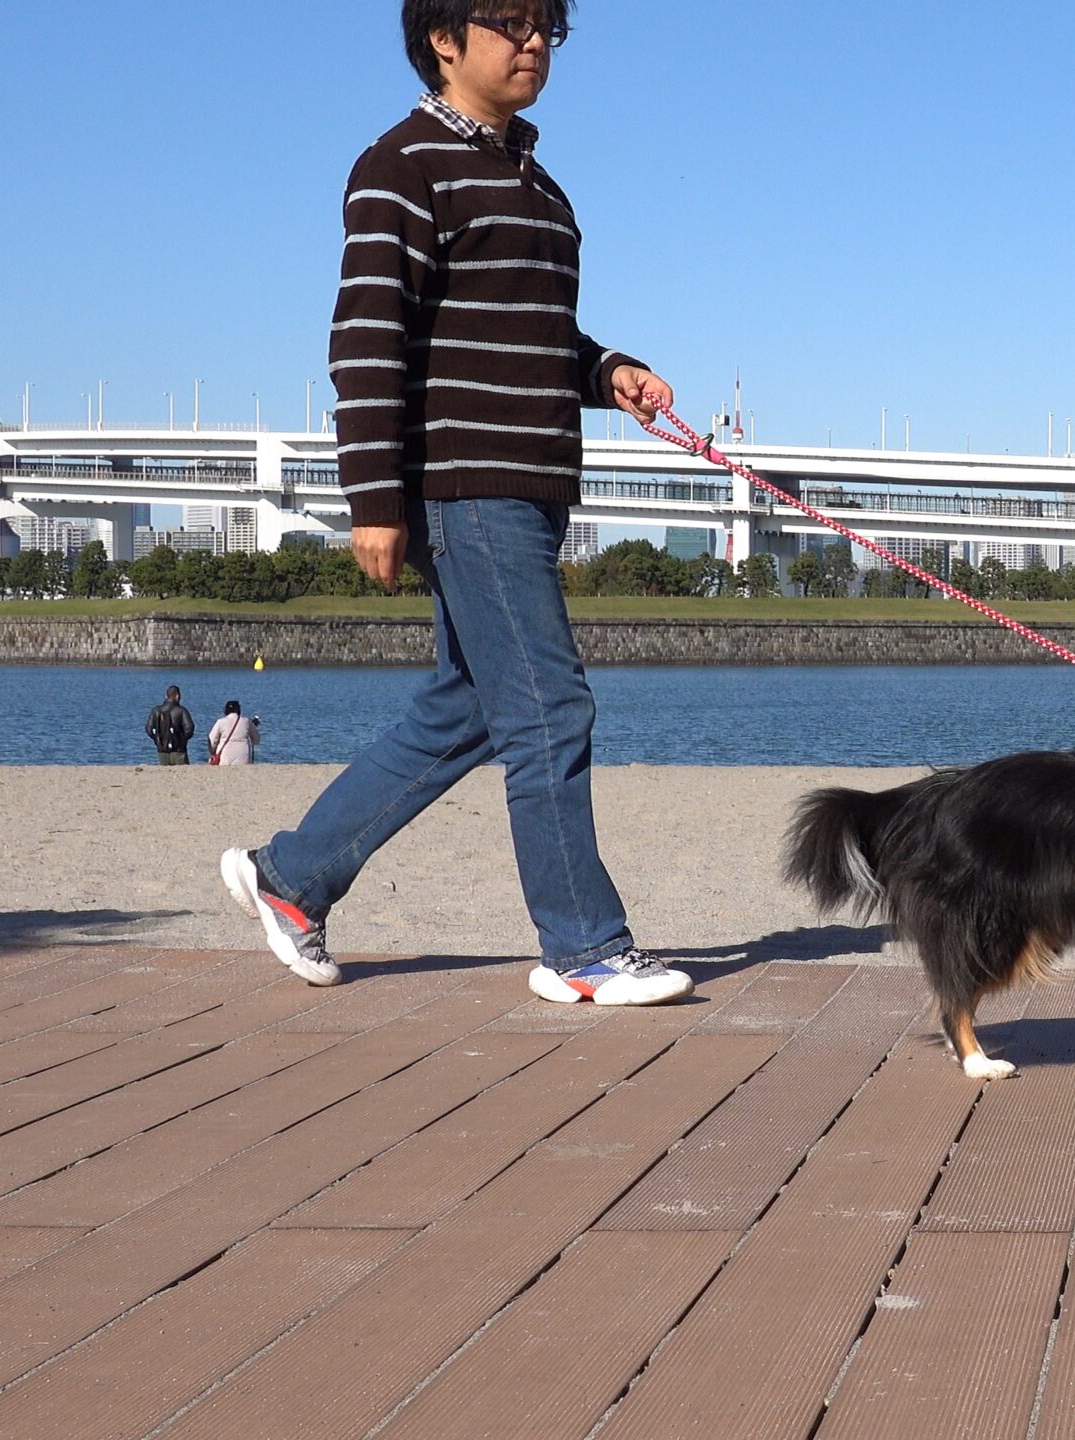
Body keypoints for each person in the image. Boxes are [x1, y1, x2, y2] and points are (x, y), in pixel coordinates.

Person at [217, 0, 689, 1005]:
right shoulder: (402, 166)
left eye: (546, 29)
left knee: (468, 711)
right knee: (552, 707)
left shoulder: (541, 188)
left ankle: (289, 877)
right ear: (444, 38)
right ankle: (584, 948)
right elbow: (367, 338)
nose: (532, 45)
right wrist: (373, 500)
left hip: (532, 484)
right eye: (511, 23)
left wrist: (608, 369)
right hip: (467, 488)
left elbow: (531, 332)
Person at [146, 685, 194, 766]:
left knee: (164, 772)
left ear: (166, 696)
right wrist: (181, 740)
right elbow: (189, 729)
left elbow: (149, 729)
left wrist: (157, 740)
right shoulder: (181, 711)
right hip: (179, 750)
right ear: (177, 696)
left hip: (162, 750)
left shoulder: (156, 711)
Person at [207, 700, 259, 766]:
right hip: (244, 758)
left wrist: (213, 752)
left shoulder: (220, 722)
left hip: (225, 757)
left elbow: (212, 740)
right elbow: (256, 740)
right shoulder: (246, 721)